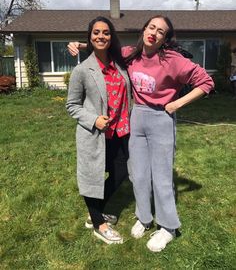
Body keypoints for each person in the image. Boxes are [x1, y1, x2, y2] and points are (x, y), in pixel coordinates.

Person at [67, 14, 214, 252]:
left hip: (161, 119)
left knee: (162, 177)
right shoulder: (130, 54)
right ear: (144, 29)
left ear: (165, 38)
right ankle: (144, 218)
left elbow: (206, 82)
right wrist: (80, 44)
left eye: (161, 31)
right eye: (151, 27)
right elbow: (106, 46)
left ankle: (168, 227)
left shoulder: (173, 60)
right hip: (137, 118)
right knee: (139, 174)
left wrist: (177, 104)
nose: (154, 33)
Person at [66, 16, 132, 245]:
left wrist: (84, 44)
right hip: (95, 134)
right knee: (92, 177)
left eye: (105, 32)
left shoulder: (120, 63)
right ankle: (98, 224)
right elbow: (72, 105)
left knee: (121, 172)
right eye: (96, 32)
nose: (100, 36)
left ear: (111, 36)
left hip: (120, 132)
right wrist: (94, 120)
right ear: (90, 36)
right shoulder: (83, 70)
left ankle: (95, 211)